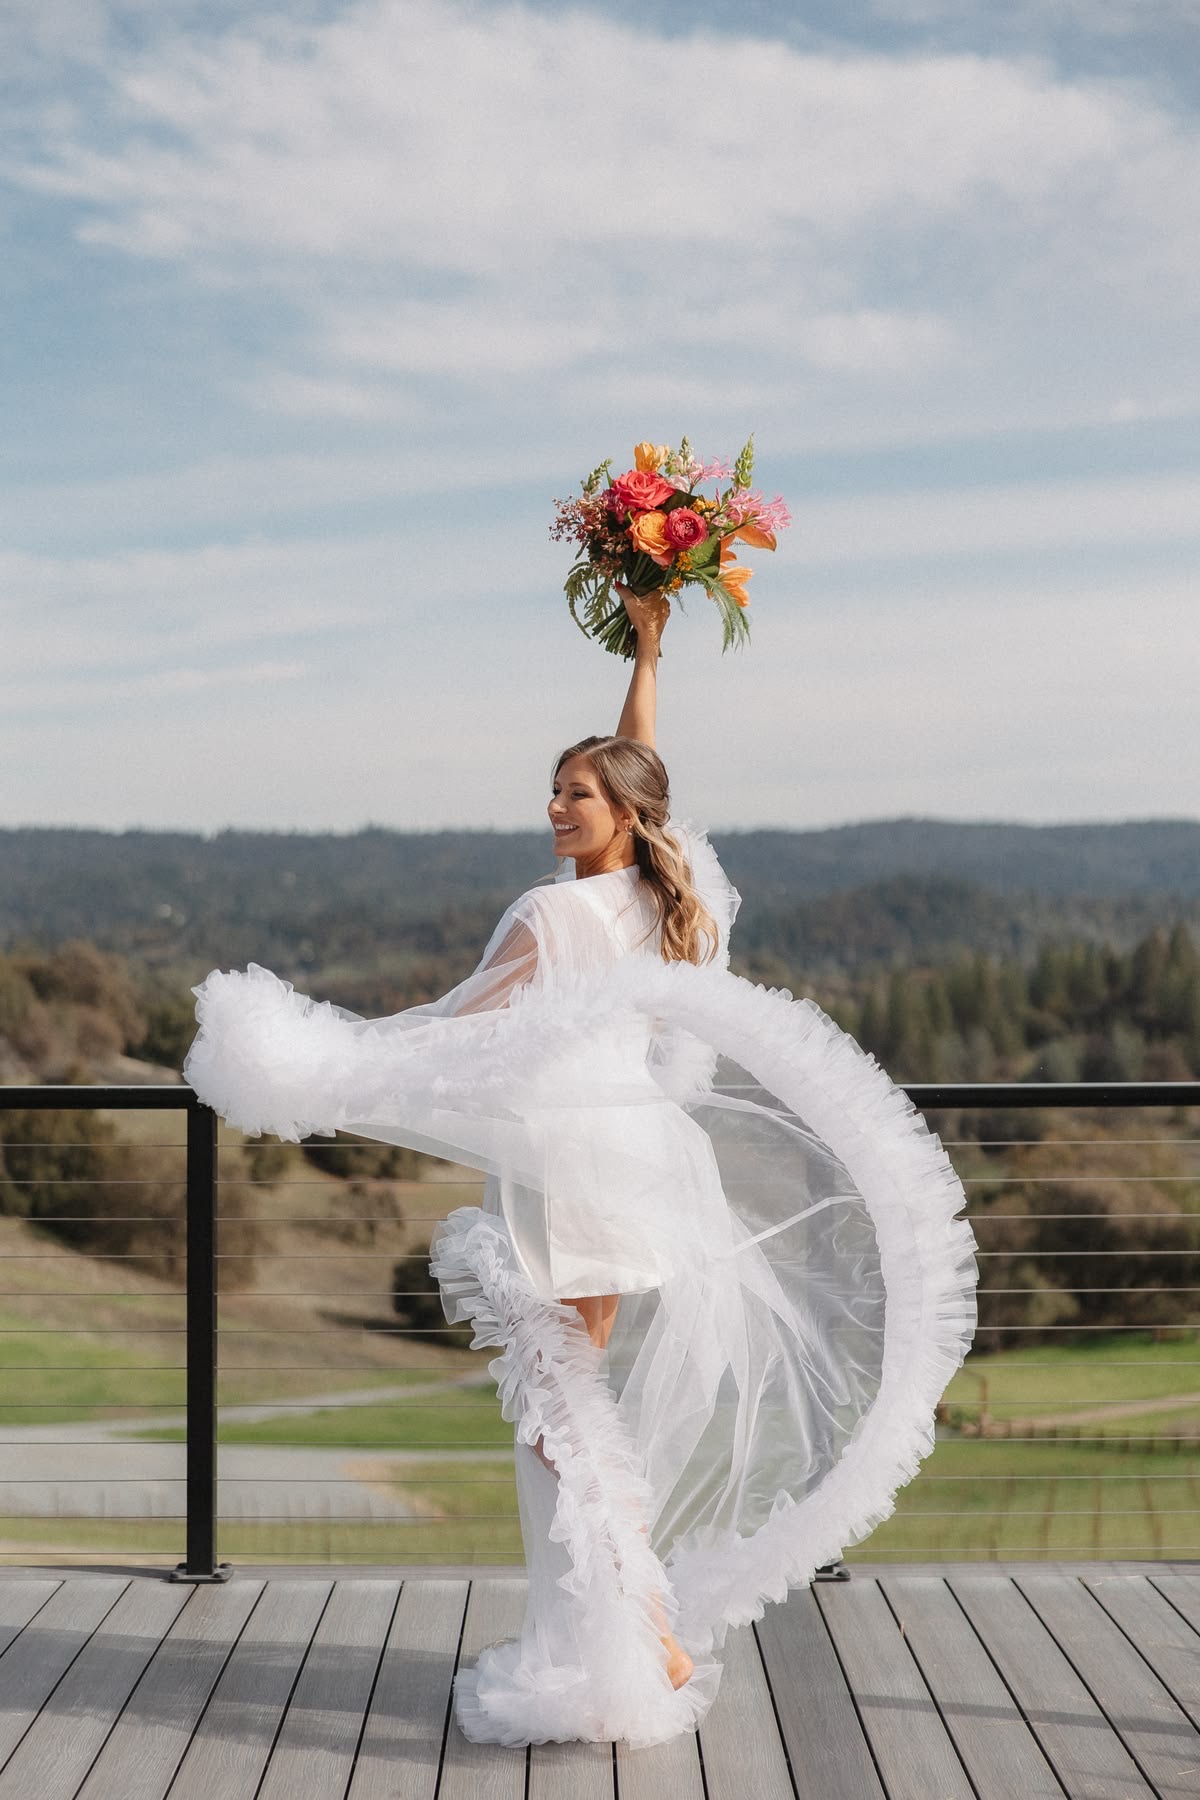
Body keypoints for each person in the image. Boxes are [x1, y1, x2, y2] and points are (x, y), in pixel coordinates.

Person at [183, 588, 977, 1749]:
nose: (556, 806)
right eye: (555, 788)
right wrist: (648, 651)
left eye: (578, 793)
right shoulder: (666, 895)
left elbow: (458, 1025)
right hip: (637, 1164)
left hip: (561, 1166)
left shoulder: (550, 919)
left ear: (619, 813)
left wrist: (334, 1065)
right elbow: (644, 758)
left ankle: (635, 1622)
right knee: (575, 1396)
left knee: (558, 1412)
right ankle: (603, 1634)